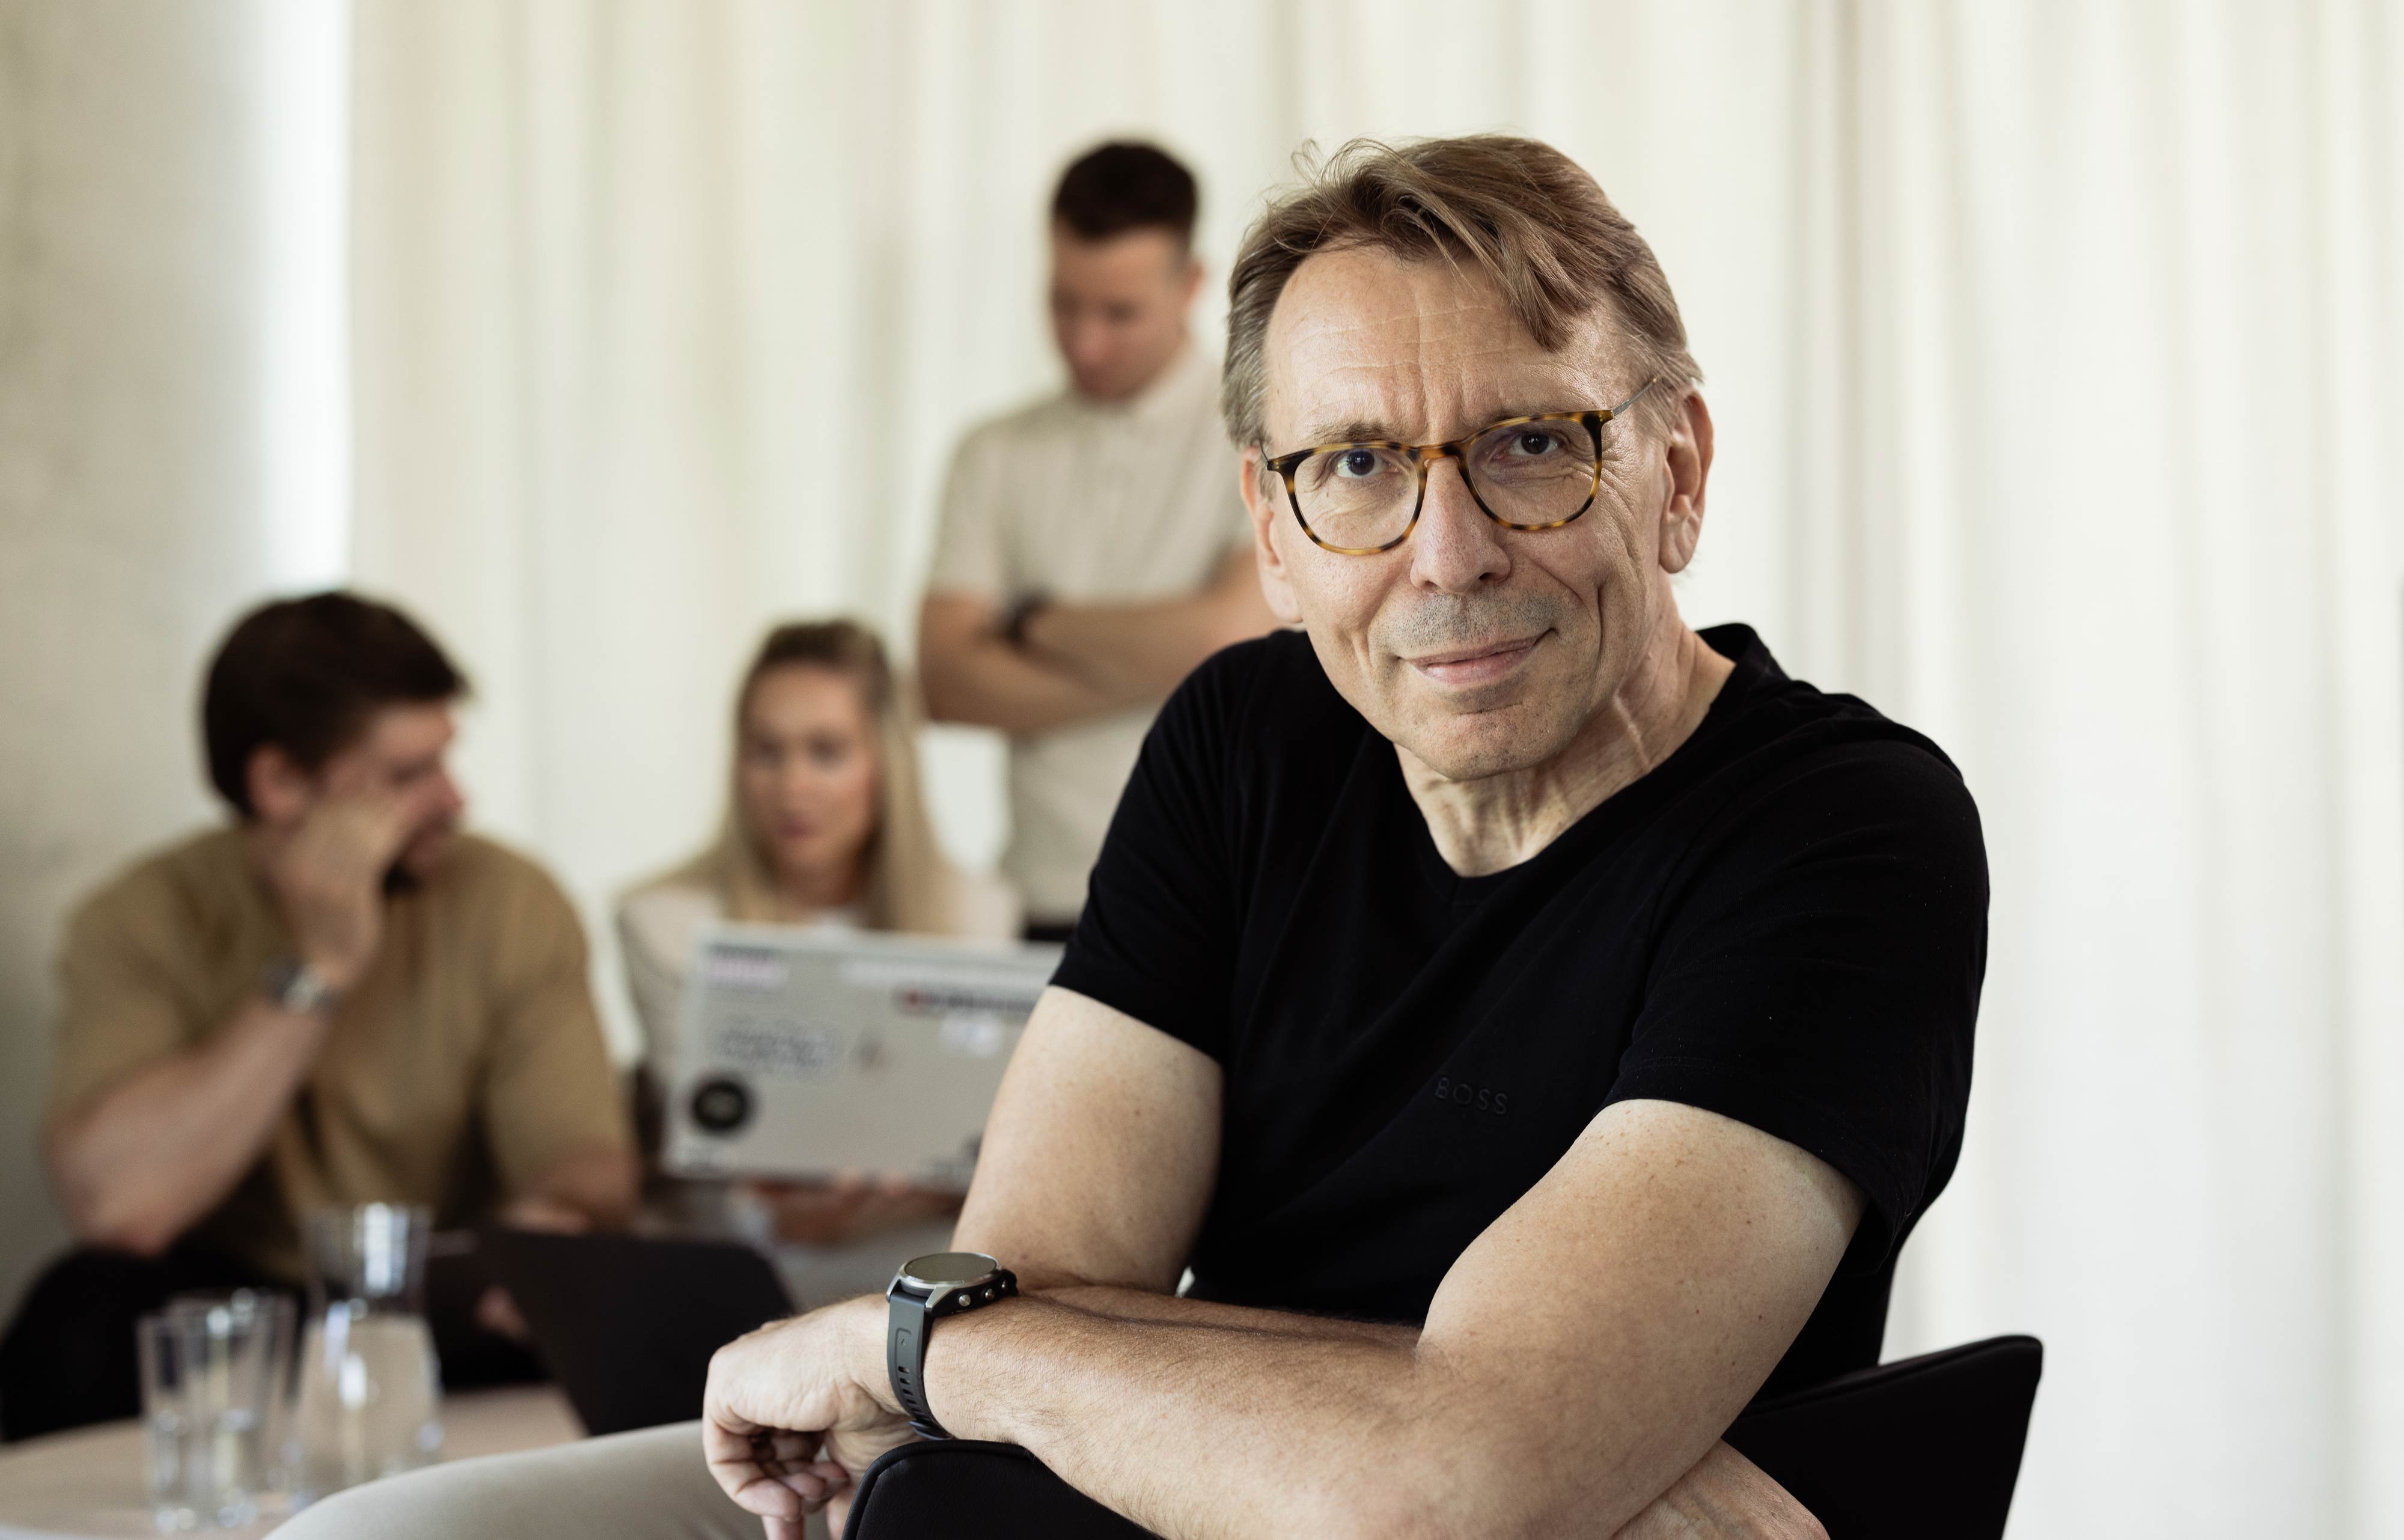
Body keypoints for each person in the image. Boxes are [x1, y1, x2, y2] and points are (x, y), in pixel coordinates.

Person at [279, 136, 1986, 1540]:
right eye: (1360, 467)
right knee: (375, 1538)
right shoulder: (1242, 743)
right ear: (1272, 525)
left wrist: (932, 1345)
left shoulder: (1845, 830)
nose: (1446, 551)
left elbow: (1455, 1490)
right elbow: (1034, 1293)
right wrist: (1433, 1418)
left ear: (1676, 468)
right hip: (1130, 1501)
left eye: (1534, 444)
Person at [0, 593, 636, 1441]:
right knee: (78, 1308)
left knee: (621, 1310)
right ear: (280, 783)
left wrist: (548, 1219)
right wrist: (319, 968)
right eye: (408, 775)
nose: (455, 798)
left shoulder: (509, 898)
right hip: (247, 1307)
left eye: (445, 759)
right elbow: (124, 1205)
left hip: (435, 1302)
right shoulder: (142, 915)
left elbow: (584, 1164)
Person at [918, 140, 1278, 942]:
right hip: (1045, 902)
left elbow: (1226, 637)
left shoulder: (1265, 427)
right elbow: (943, 680)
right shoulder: (994, 452)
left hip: (1228, 896)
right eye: (1063, 304)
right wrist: (1176, 660)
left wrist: (1031, 624)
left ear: (1190, 286)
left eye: (1118, 313)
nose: (1084, 342)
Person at [617, 619, 1016, 1252]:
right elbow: (710, 1154)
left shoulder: (981, 915)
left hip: (924, 1249)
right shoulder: (663, 923)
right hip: (749, 1254)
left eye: (825, 752)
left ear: (885, 764)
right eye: (766, 751)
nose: (792, 786)